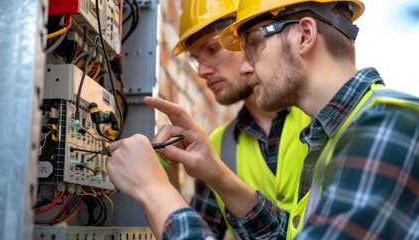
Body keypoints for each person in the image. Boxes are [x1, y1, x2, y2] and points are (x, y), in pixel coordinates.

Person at [107, 0, 419, 239]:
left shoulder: (387, 126)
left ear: (304, 35)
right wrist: (214, 174)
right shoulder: (330, 137)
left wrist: (155, 191)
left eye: (254, 44)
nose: (246, 67)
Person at [172, 0, 310, 238]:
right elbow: (201, 232)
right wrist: (168, 180)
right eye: (196, 60)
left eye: (212, 49)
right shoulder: (214, 146)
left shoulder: (322, 113)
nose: (203, 71)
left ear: (248, 37)